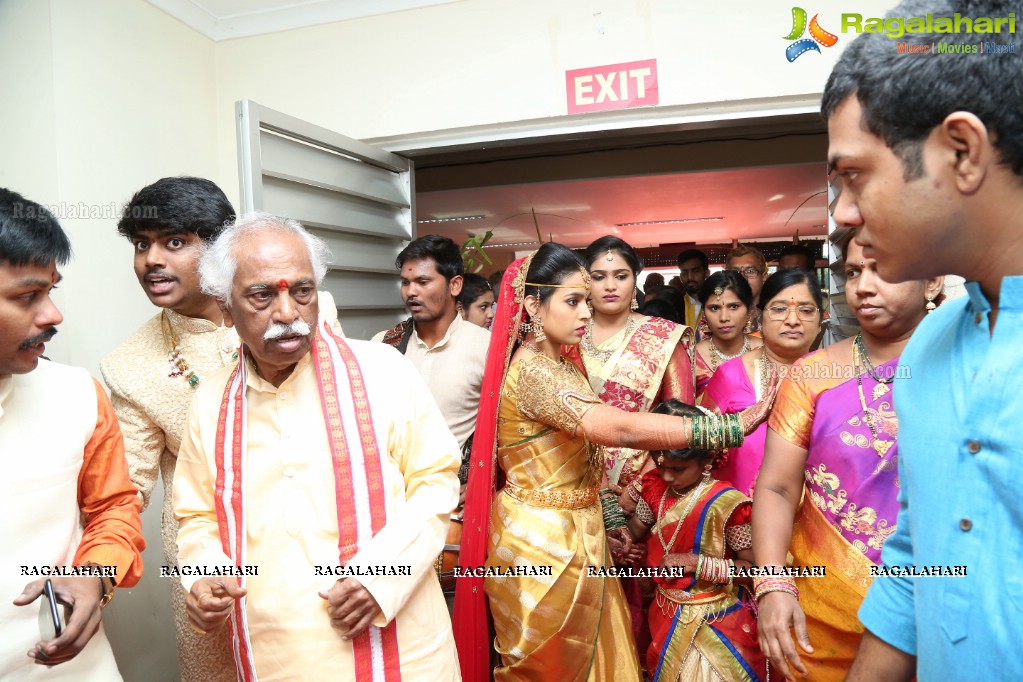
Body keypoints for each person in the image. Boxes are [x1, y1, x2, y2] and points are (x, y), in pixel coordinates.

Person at [453, 242, 779, 682]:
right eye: (572, 301)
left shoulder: (562, 364)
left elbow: (579, 456)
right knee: (549, 668)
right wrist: (725, 428)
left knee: (601, 659)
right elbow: (617, 430)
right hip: (540, 539)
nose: (586, 313)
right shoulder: (535, 372)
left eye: (585, 301)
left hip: (579, 528)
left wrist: (608, 514)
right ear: (532, 305)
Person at [821, 1, 1023, 679]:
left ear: (959, 152)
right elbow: (916, 559)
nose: (844, 213)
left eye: (853, 175)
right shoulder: (932, 344)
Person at [173, 213, 461, 679]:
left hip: (400, 642)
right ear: (225, 308)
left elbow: (435, 482)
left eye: (301, 292)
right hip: (277, 650)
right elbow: (197, 516)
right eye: (263, 295)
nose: (288, 313)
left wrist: (380, 579)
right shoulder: (211, 402)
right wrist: (204, 576)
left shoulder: (382, 370)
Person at [100, 177, 343, 682]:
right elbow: (126, 484)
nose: (150, 260)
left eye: (174, 242)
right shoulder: (130, 363)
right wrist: (87, 566)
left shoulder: (296, 310)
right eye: (141, 244)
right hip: (211, 566)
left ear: (222, 248)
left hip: (316, 536)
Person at [752, 233, 942, 681]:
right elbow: (778, 487)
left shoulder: (965, 367)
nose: (863, 286)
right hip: (819, 614)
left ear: (932, 281)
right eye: (854, 272)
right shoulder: (814, 374)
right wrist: (772, 587)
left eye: (883, 269)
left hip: (936, 601)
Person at [0, 188, 145, 679]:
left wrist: (95, 574)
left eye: (50, 291)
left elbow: (113, 507)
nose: (52, 315)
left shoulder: (79, 394)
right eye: (26, 296)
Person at [576, 235, 696, 653]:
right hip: (571, 491)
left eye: (621, 275)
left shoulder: (664, 338)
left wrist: (637, 491)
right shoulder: (565, 334)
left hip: (644, 493)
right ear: (583, 281)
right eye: (599, 275)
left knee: (639, 611)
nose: (610, 285)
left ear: (635, 281)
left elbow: (679, 422)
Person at [628, 400, 765, 682]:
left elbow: (754, 571)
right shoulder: (655, 488)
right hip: (664, 612)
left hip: (716, 619)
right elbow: (636, 529)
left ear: (708, 461)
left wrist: (696, 564)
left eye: (678, 469)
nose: (667, 475)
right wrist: (623, 542)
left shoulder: (728, 505)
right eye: (659, 463)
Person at [700, 269, 824, 497]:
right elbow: (699, 456)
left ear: (821, 319)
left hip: (817, 520)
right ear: (760, 316)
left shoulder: (837, 378)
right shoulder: (731, 375)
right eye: (779, 309)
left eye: (806, 310)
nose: (793, 320)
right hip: (743, 518)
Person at [373, 234, 489, 452]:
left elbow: (501, 425)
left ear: (454, 285)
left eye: (423, 282)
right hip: (394, 481)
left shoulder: (486, 347)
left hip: (455, 482)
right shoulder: (383, 345)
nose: (411, 292)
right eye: (405, 283)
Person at [693, 270, 763, 393]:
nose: (724, 317)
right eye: (714, 308)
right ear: (704, 313)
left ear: (750, 310)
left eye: (733, 307)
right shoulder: (692, 358)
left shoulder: (765, 352)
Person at [725, 246, 769, 334]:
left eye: (750, 271)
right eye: (735, 272)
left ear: (764, 276)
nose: (743, 278)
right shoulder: (716, 314)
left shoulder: (774, 315)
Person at [676, 249, 709, 329]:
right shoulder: (676, 305)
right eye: (685, 272)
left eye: (696, 271)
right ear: (680, 277)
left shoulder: (717, 303)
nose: (690, 277)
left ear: (706, 273)